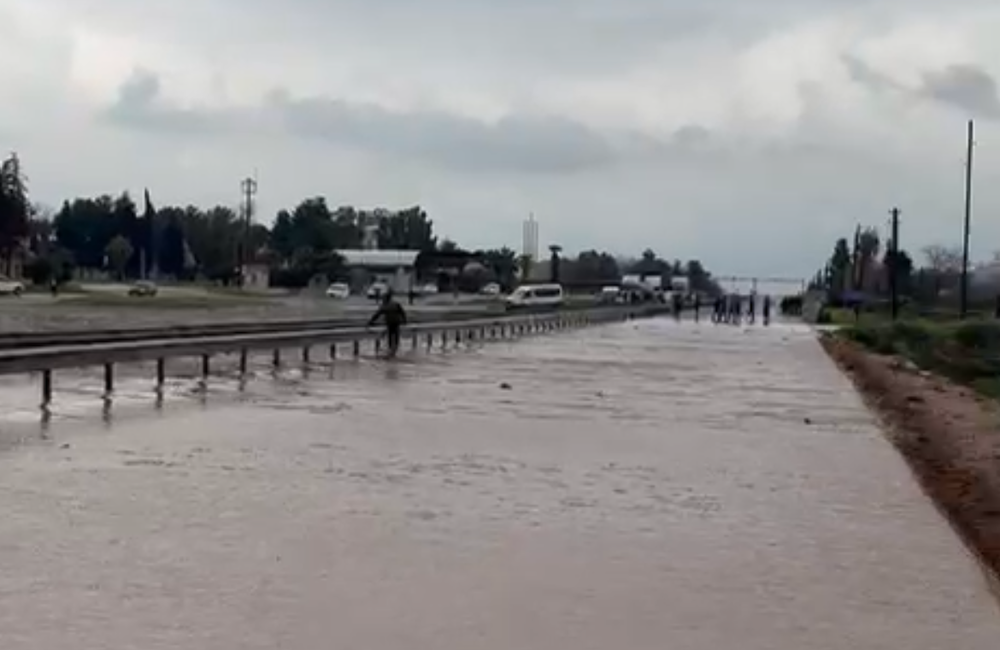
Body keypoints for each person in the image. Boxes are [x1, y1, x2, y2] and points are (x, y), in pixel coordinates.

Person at [368, 290, 408, 358]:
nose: (382, 300)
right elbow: (402, 312)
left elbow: (376, 315)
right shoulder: (396, 304)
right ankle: (394, 352)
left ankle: (391, 352)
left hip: (390, 323)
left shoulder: (385, 306)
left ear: (385, 299)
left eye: (383, 298)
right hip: (396, 323)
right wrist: (404, 320)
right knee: (396, 338)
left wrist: (370, 322)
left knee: (390, 337)